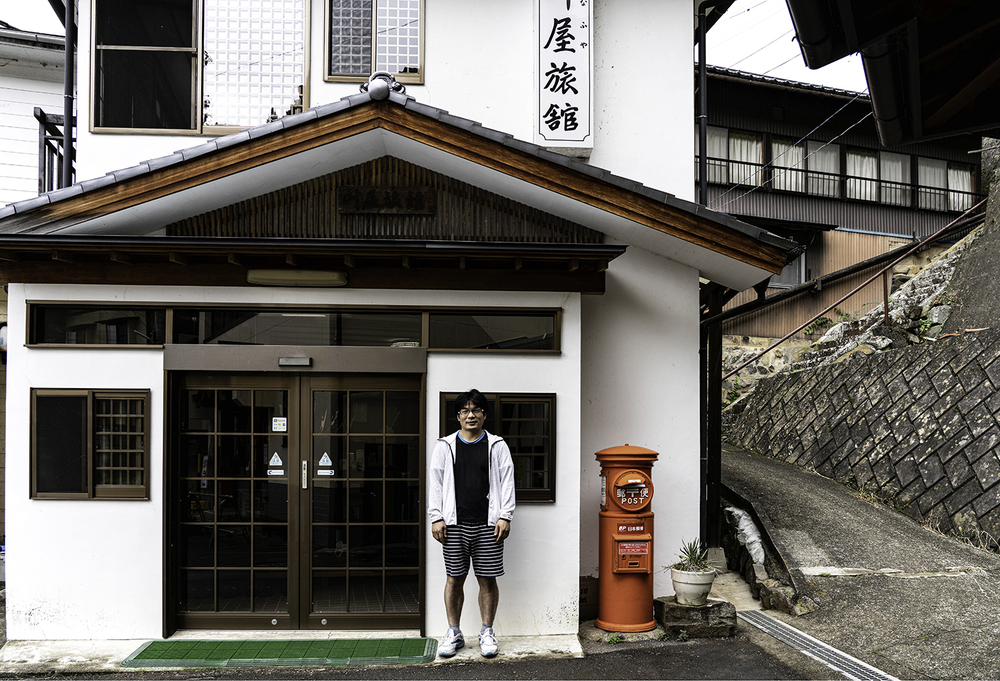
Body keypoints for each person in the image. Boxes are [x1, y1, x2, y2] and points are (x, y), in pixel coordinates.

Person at [427, 389, 515, 658]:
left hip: (489, 525)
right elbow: (436, 483)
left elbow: (508, 480)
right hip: (453, 525)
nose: (470, 415)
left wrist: (505, 515)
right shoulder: (445, 446)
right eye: (465, 410)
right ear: (458, 416)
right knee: (454, 579)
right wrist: (436, 517)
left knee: (487, 580)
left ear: (484, 415)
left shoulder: (497, 446)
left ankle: (487, 632)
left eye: (476, 410)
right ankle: (453, 632)